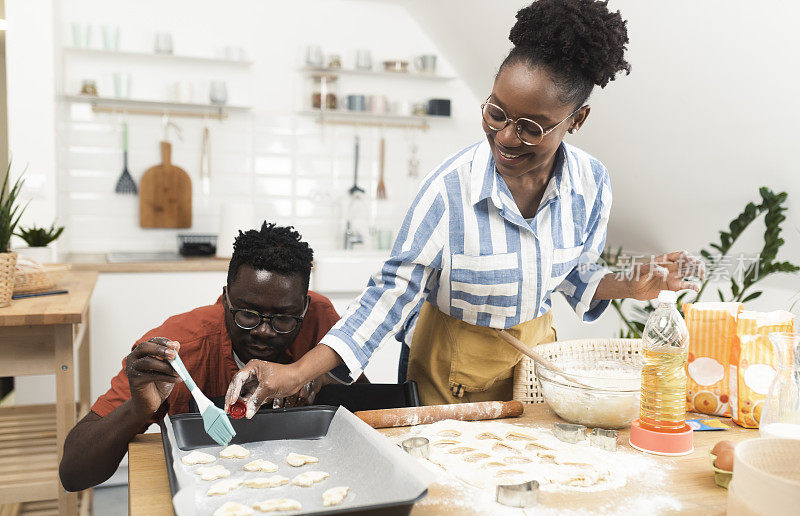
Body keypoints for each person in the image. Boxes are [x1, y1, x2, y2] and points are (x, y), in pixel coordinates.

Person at [223, 0, 704, 410]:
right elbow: (388, 297)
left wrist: (632, 285)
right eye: (496, 112)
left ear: (576, 121)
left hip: (536, 359)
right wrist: (295, 373)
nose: (505, 136)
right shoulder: (449, 190)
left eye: (531, 127)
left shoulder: (591, 184)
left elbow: (576, 275)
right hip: (449, 359)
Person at [59, 223, 343, 491]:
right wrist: (137, 409)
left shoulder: (320, 320)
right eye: (247, 315)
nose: (265, 332)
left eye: (283, 319)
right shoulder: (178, 349)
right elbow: (73, 472)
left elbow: (359, 404)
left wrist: (320, 375)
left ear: (304, 308)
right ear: (226, 298)